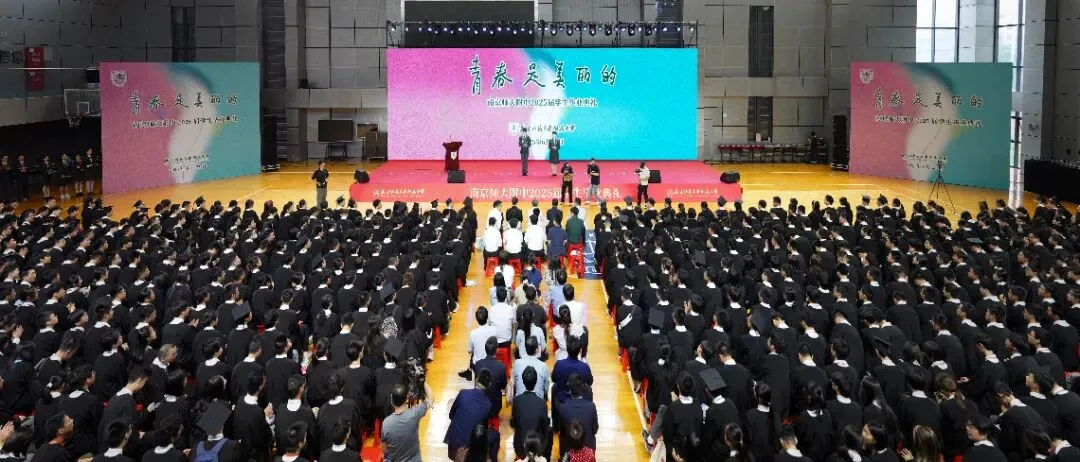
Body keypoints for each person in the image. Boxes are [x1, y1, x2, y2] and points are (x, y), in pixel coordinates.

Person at [445, 369, 494, 459]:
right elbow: (483, 428)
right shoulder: (488, 404)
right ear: (489, 384)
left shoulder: (463, 393)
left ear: (477, 379)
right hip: (469, 448)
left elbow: (451, 414)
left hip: (453, 442)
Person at [380, 380, 433, 462]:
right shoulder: (415, 413)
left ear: (392, 399)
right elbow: (431, 398)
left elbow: (384, 448)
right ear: (407, 398)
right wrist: (423, 381)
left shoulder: (386, 423)